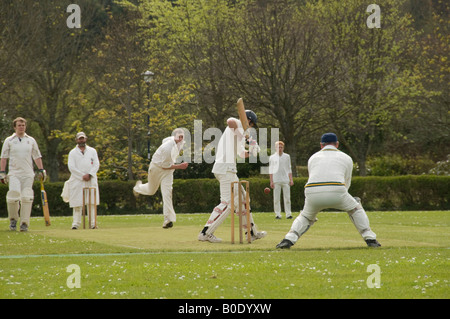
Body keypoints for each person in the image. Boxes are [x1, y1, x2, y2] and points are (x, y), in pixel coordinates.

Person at [276, 133, 381, 249]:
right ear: (337, 144)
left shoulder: (312, 158)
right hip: (337, 190)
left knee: (305, 216)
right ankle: (370, 239)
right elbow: (347, 182)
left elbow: (313, 177)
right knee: (355, 208)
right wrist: (342, 199)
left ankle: (288, 239)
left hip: (312, 191)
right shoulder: (346, 158)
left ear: (321, 145)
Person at [198, 110, 266, 243]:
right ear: (249, 121)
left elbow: (241, 154)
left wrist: (251, 151)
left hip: (230, 170)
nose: (251, 128)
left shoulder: (240, 134)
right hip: (225, 169)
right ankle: (205, 233)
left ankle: (251, 233)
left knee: (242, 201)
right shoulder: (237, 123)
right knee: (227, 203)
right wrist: (245, 137)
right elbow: (230, 122)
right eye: (251, 125)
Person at [133, 128, 188, 228]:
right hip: (157, 168)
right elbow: (164, 166)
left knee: (167, 193)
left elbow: (164, 140)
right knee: (151, 191)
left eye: (182, 136)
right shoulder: (168, 147)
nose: (181, 139)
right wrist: (180, 166)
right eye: (179, 136)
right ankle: (138, 187)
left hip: (168, 170)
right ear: (174, 136)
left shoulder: (178, 141)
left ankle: (168, 220)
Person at [0, 117, 46, 232]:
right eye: (19, 125)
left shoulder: (30, 140)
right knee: (13, 196)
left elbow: (36, 156)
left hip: (28, 173)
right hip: (14, 173)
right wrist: (2, 172)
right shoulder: (9, 140)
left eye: (23, 125)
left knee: (27, 197)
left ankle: (24, 223)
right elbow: (3, 158)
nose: (22, 127)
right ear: (15, 127)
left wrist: (41, 170)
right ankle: (13, 220)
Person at [65, 132, 100, 229]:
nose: (82, 140)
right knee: (77, 202)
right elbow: (71, 167)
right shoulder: (72, 152)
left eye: (83, 138)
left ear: (86, 139)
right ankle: (76, 224)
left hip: (91, 179)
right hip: (77, 180)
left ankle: (93, 223)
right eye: (80, 139)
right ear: (76, 140)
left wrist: (89, 174)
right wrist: (82, 176)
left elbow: (96, 164)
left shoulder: (92, 151)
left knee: (92, 202)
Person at [269, 141, 294, 219]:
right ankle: (277, 214)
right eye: (278, 147)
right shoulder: (272, 157)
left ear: (283, 148)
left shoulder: (287, 156)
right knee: (276, 199)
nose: (279, 149)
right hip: (276, 180)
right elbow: (271, 170)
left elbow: (289, 168)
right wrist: (271, 181)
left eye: (281, 147)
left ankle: (288, 214)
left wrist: (291, 179)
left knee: (287, 198)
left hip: (285, 180)